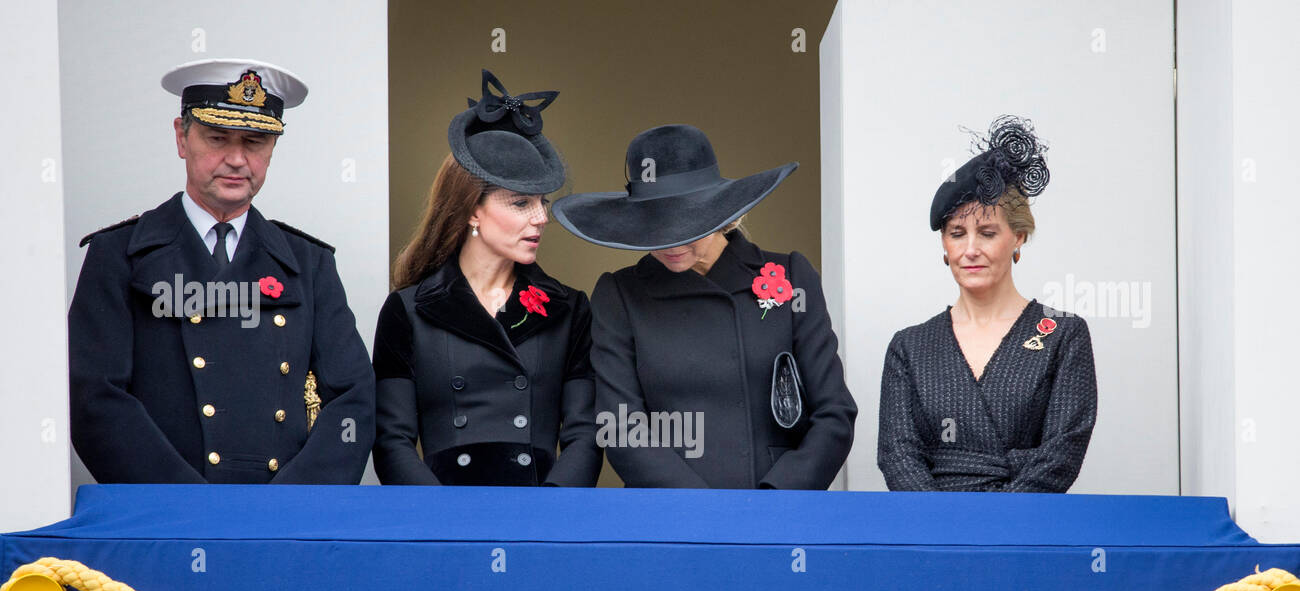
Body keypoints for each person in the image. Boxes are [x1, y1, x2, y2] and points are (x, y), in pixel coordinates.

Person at [68, 59, 374, 484]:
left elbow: (353, 401)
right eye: (217, 138)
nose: (236, 159)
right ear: (181, 137)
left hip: (281, 521)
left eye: (254, 141)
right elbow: (95, 400)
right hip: (167, 516)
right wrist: (191, 506)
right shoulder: (118, 254)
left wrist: (295, 504)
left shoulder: (308, 262)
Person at [552, 124, 856, 489]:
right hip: (674, 518)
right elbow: (621, 428)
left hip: (777, 514)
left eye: (686, 223)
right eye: (654, 226)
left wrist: (778, 500)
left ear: (720, 210)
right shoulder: (620, 294)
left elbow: (834, 413)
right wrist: (701, 512)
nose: (671, 242)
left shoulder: (792, 274)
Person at [371, 70, 600, 486]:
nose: (541, 218)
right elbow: (392, 440)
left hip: (539, 516)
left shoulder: (569, 308)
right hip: (445, 520)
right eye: (520, 203)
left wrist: (549, 513)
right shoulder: (408, 310)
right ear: (471, 210)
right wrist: (441, 518)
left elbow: (584, 436)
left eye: (542, 203)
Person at [877, 115, 1097, 492]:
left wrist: (1000, 522)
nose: (971, 250)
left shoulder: (1063, 334)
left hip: (1026, 529)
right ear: (944, 247)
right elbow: (897, 454)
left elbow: (1063, 451)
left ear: (1019, 237)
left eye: (988, 232)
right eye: (957, 234)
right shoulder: (910, 346)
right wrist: (943, 526)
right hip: (934, 532)